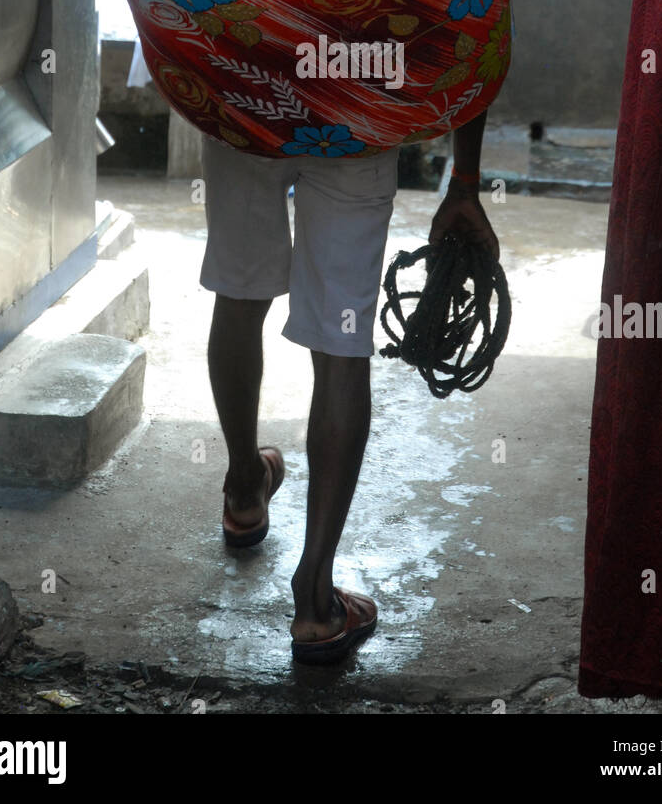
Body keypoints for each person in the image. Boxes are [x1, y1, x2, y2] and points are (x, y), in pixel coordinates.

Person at [200, 106, 500, 665]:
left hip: (247, 97)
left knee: (239, 299)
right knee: (342, 345)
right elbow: (475, 27)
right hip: (356, 115)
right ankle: (315, 599)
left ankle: (245, 487)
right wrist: (464, 179)